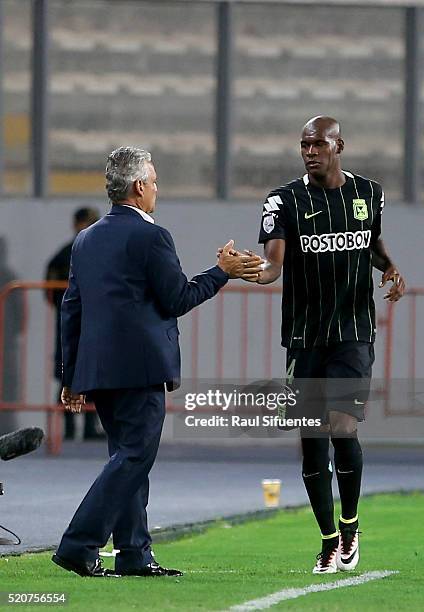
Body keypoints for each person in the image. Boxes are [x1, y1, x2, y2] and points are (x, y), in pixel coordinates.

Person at [52, 146, 262, 578]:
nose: (157, 190)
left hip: (99, 371)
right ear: (140, 186)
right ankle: (79, 544)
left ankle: (134, 554)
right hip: (141, 368)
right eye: (156, 181)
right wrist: (223, 271)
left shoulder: (86, 239)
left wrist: (71, 376)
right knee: (133, 458)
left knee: (125, 458)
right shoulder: (152, 236)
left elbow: (71, 309)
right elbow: (178, 298)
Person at [252, 116, 405, 573]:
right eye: (304, 145)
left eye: (318, 144)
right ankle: (329, 538)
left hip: (354, 333)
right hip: (304, 337)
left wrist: (391, 269)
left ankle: (351, 523)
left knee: (341, 426)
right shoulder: (283, 200)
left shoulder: (369, 193)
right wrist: (248, 271)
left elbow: (371, 244)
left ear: (340, 144)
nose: (310, 151)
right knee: (313, 439)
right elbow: (274, 264)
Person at [45, 208, 100, 440]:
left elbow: (49, 293)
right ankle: (72, 429)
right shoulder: (91, 253)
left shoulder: (65, 254)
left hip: (73, 322)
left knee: (76, 374)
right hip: (83, 323)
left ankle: (77, 429)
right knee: (75, 374)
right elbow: (50, 291)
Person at [0, 237, 23, 434]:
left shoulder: (9, 277)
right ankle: (6, 429)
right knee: (7, 385)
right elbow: (20, 313)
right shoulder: (9, 276)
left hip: (6, 342)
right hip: (5, 343)